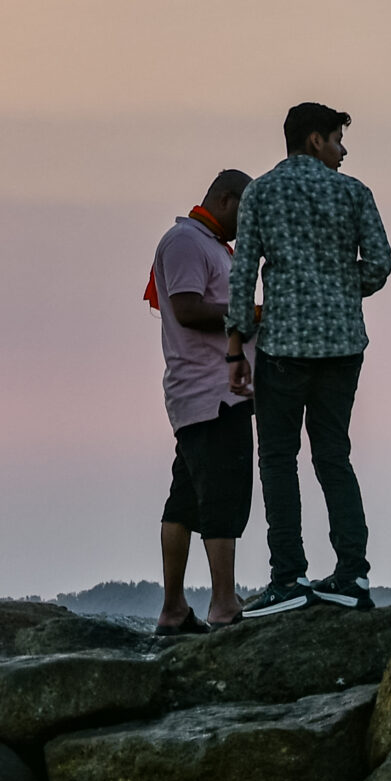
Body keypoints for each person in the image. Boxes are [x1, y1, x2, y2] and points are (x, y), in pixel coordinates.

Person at [226, 102, 391, 615]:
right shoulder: (354, 193)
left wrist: (237, 345)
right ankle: (352, 574)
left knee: (278, 460)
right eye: (339, 140)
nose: (344, 152)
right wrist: (344, 289)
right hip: (343, 348)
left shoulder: (261, 192)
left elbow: (243, 275)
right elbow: (382, 263)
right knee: (333, 457)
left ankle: (289, 577)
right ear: (316, 139)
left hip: (284, 348)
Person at [147, 169, 255, 632]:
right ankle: (223, 605)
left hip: (203, 394)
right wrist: (252, 315)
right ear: (227, 200)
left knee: (185, 500)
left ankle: (174, 610)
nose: (249, 225)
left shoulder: (208, 245)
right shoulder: (186, 241)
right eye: (246, 213)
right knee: (222, 498)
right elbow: (188, 308)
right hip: (213, 394)